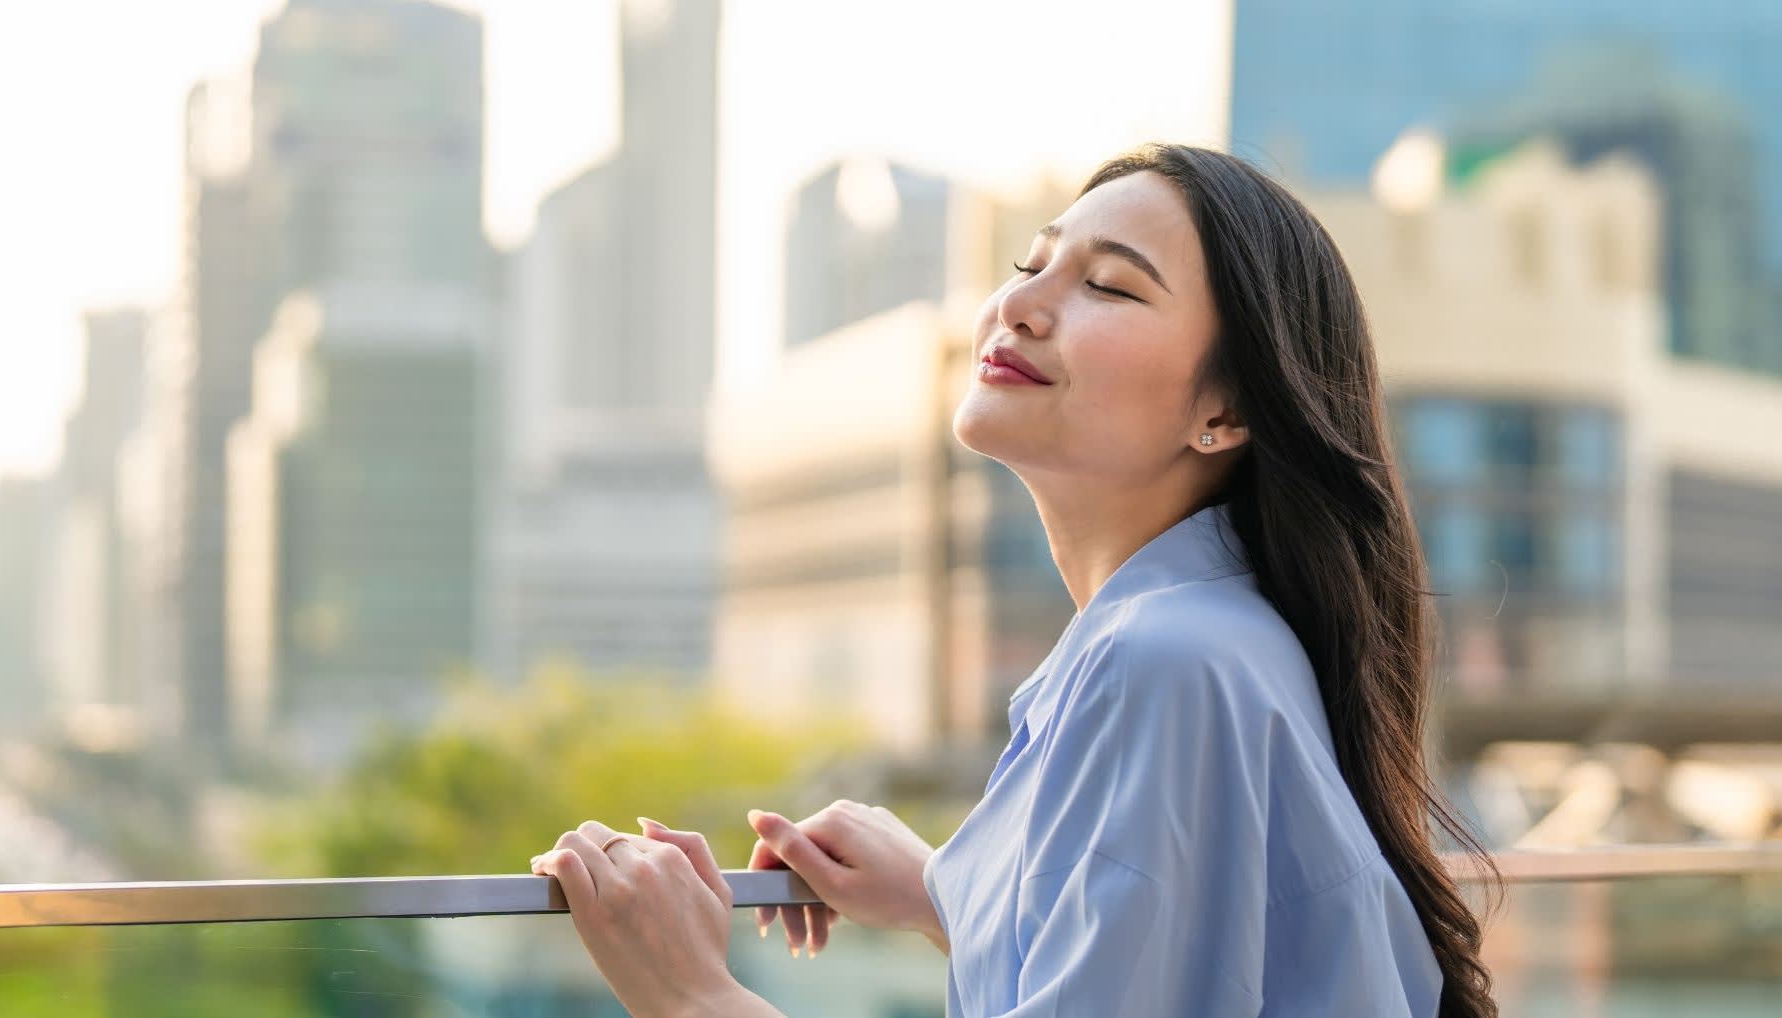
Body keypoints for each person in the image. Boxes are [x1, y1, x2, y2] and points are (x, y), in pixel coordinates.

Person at [529, 142, 1498, 1017]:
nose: (1021, 306)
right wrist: (952, 891)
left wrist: (689, 990)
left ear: (1228, 409)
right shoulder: (1215, 640)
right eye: (1031, 266)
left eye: (1111, 288)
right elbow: (1184, 964)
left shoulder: (1166, 660)